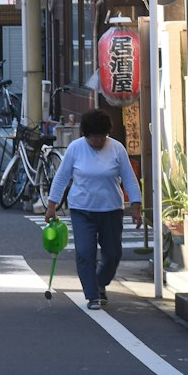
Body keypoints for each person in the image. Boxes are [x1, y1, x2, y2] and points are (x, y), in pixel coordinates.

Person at [44, 107, 142, 310]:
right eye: (93, 137)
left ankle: (100, 282)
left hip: (111, 209)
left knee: (113, 253)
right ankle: (93, 295)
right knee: (85, 252)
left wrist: (135, 206)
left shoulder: (117, 149)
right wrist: (51, 205)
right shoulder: (75, 148)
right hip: (82, 209)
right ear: (86, 135)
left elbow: (129, 179)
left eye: (101, 136)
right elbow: (62, 177)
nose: (97, 141)